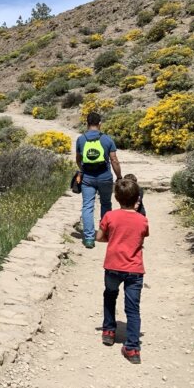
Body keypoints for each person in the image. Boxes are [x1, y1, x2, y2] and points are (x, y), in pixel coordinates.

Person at [96, 178, 149, 364]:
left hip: (112, 266)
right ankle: (133, 348)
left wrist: (112, 240)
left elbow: (99, 237)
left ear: (116, 197)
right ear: (137, 198)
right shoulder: (142, 220)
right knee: (133, 308)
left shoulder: (110, 216)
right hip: (134, 269)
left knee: (110, 295)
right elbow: (141, 237)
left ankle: (109, 331)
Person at [75, 112, 122, 248]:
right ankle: (104, 233)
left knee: (87, 206)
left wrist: (83, 170)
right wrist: (119, 177)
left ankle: (89, 238)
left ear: (87, 123)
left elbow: (78, 159)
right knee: (106, 203)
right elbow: (114, 160)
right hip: (105, 177)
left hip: (88, 178)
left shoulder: (81, 139)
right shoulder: (107, 139)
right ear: (100, 123)